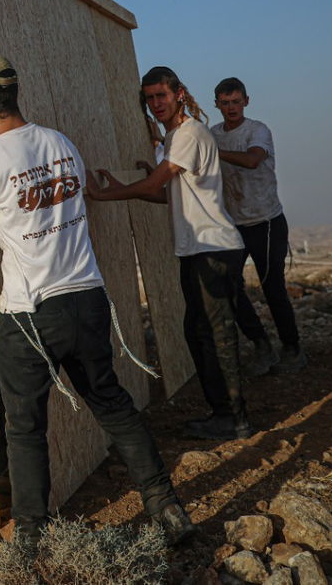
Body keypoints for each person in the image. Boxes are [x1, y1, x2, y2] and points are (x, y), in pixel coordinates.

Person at [0, 52, 196, 554]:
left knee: (25, 428)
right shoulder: (60, 142)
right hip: (86, 299)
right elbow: (74, 191)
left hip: (29, 316)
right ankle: (166, 506)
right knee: (113, 405)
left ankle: (33, 539)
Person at [90, 66, 253, 441]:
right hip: (197, 249)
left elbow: (155, 183)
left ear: (179, 94)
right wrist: (123, 186)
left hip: (213, 248)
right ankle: (224, 413)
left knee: (217, 334)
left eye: (161, 96)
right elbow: (165, 194)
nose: (155, 104)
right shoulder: (176, 137)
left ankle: (235, 418)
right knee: (199, 333)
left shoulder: (190, 133)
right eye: (149, 99)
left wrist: (106, 194)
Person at [212, 78, 304, 373]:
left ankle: (292, 349)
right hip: (233, 224)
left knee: (272, 287)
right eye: (225, 103)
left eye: (236, 102)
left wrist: (213, 152)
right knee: (228, 286)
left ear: (246, 102)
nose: (231, 108)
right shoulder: (212, 134)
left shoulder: (257, 131)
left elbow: (253, 160)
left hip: (266, 222)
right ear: (217, 105)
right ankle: (261, 345)